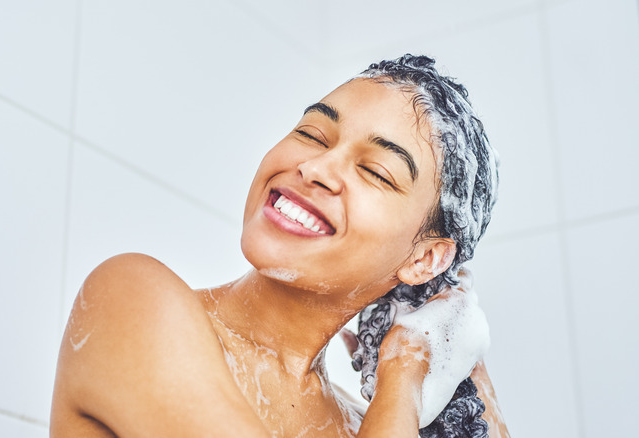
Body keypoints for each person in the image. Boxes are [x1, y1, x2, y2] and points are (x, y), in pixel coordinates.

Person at [50, 54, 510, 437]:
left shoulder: (364, 424)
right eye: (311, 134)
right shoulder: (133, 303)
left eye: (375, 171)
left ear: (424, 258)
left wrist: (424, 369)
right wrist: (402, 384)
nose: (316, 167)